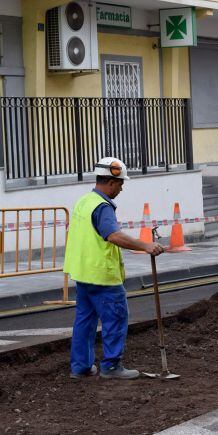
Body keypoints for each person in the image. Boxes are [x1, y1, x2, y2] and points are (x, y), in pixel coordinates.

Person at [64, 157, 165, 380]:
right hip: (103, 275)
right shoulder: (102, 206)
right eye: (120, 184)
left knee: (84, 321)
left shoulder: (84, 201)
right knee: (116, 318)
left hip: (83, 273)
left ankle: (80, 367)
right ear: (110, 182)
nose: (121, 188)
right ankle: (111, 366)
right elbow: (113, 235)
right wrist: (146, 245)